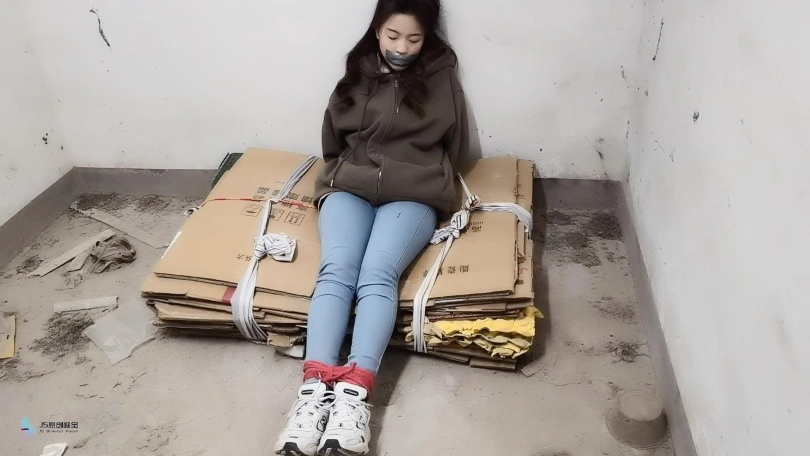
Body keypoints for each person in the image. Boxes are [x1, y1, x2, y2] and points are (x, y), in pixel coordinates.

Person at [275, 0, 468, 454]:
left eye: (414, 39)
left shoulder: (440, 76)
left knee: (378, 273)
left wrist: (426, 179)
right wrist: (344, 173)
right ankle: (313, 393)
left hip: (414, 193)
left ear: (427, 37)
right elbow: (332, 138)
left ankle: (353, 399)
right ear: (377, 30)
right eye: (392, 36)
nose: (402, 47)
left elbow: (454, 143)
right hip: (350, 186)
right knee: (336, 269)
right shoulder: (357, 70)